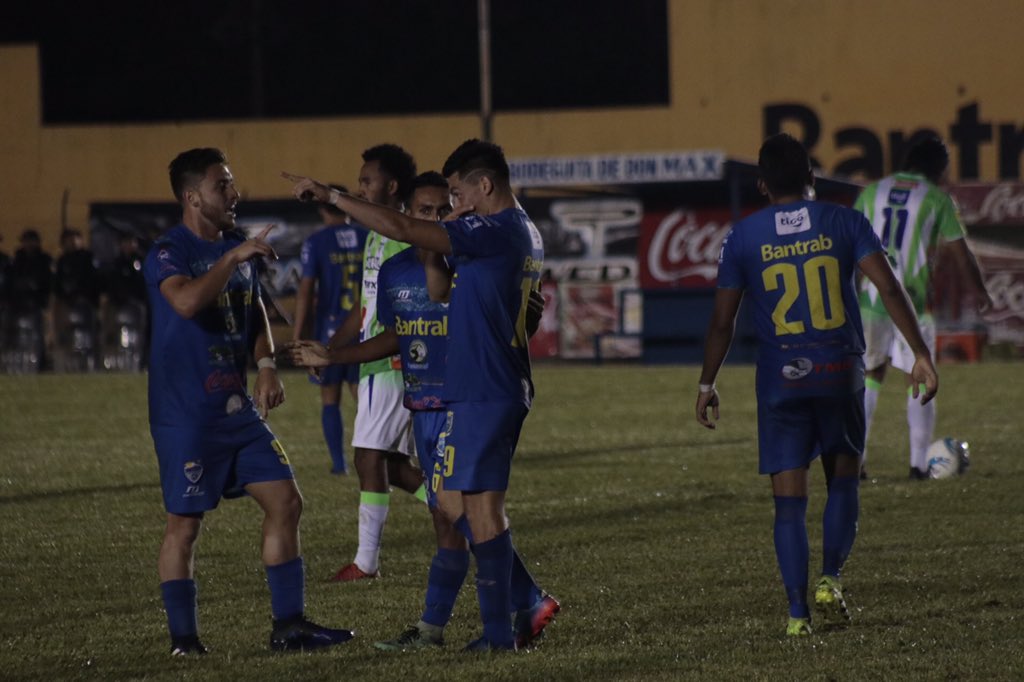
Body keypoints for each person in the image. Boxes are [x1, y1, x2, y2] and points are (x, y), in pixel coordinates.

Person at [284, 138, 550, 651]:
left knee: (480, 510)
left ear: (485, 186)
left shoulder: (497, 229)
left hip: (485, 388)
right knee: (455, 504)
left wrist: (334, 197)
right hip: (480, 385)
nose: (454, 207)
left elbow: (405, 229)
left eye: (457, 194)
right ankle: (518, 608)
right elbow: (440, 293)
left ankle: (503, 630)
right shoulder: (522, 232)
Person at [694, 133, 938, 636]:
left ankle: (797, 614)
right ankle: (830, 578)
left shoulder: (742, 236)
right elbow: (889, 286)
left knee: (789, 502)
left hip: (781, 379)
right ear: (811, 177)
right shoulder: (845, 220)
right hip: (838, 372)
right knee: (843, 482)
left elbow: (722, 322)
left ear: (762, 185)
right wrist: (920, 353)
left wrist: (706, 383)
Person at [144, 147, 352, 655]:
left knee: (286, 501)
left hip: (236, 410)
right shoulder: (168, 251)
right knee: (185, 527)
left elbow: (253, 306)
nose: (234, 193)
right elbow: (188, 301)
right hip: (186, 417)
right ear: (193, 197)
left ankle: (289, 627)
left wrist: (264, 365)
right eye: (223, 185)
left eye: (233, 183)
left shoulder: (236, 244)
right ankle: (184, 642)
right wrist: (232, 256)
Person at [315, 144, 426, 582]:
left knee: (367, 458)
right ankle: (462, 516)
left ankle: (366, 562)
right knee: (393, 466)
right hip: (373, 362)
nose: (361, 187)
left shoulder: (403, 233)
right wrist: (329, 347)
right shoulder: (376, 236)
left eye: (366, 181)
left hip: (393, 362)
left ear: (391, 186)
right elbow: (365, 306)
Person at [854, 136, 991, 480]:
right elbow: (961, 252)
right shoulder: (936, 198)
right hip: (912, 303)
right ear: (938, 169)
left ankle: (856, 464)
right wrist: (979, 290)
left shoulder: (871, 192)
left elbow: (850, 244)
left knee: (869, 377)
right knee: (919, 378)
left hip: (870, 299)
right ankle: (917, 466)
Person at [292, 185, 367, 474]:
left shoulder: (317, 242)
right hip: (362, 329)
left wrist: (298, 335)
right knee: (365, 400)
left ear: (322, 209)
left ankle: (339, 464)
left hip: (331, 331)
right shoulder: (366, 236)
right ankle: (373, 457)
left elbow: (306, 290)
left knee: (330, 399)